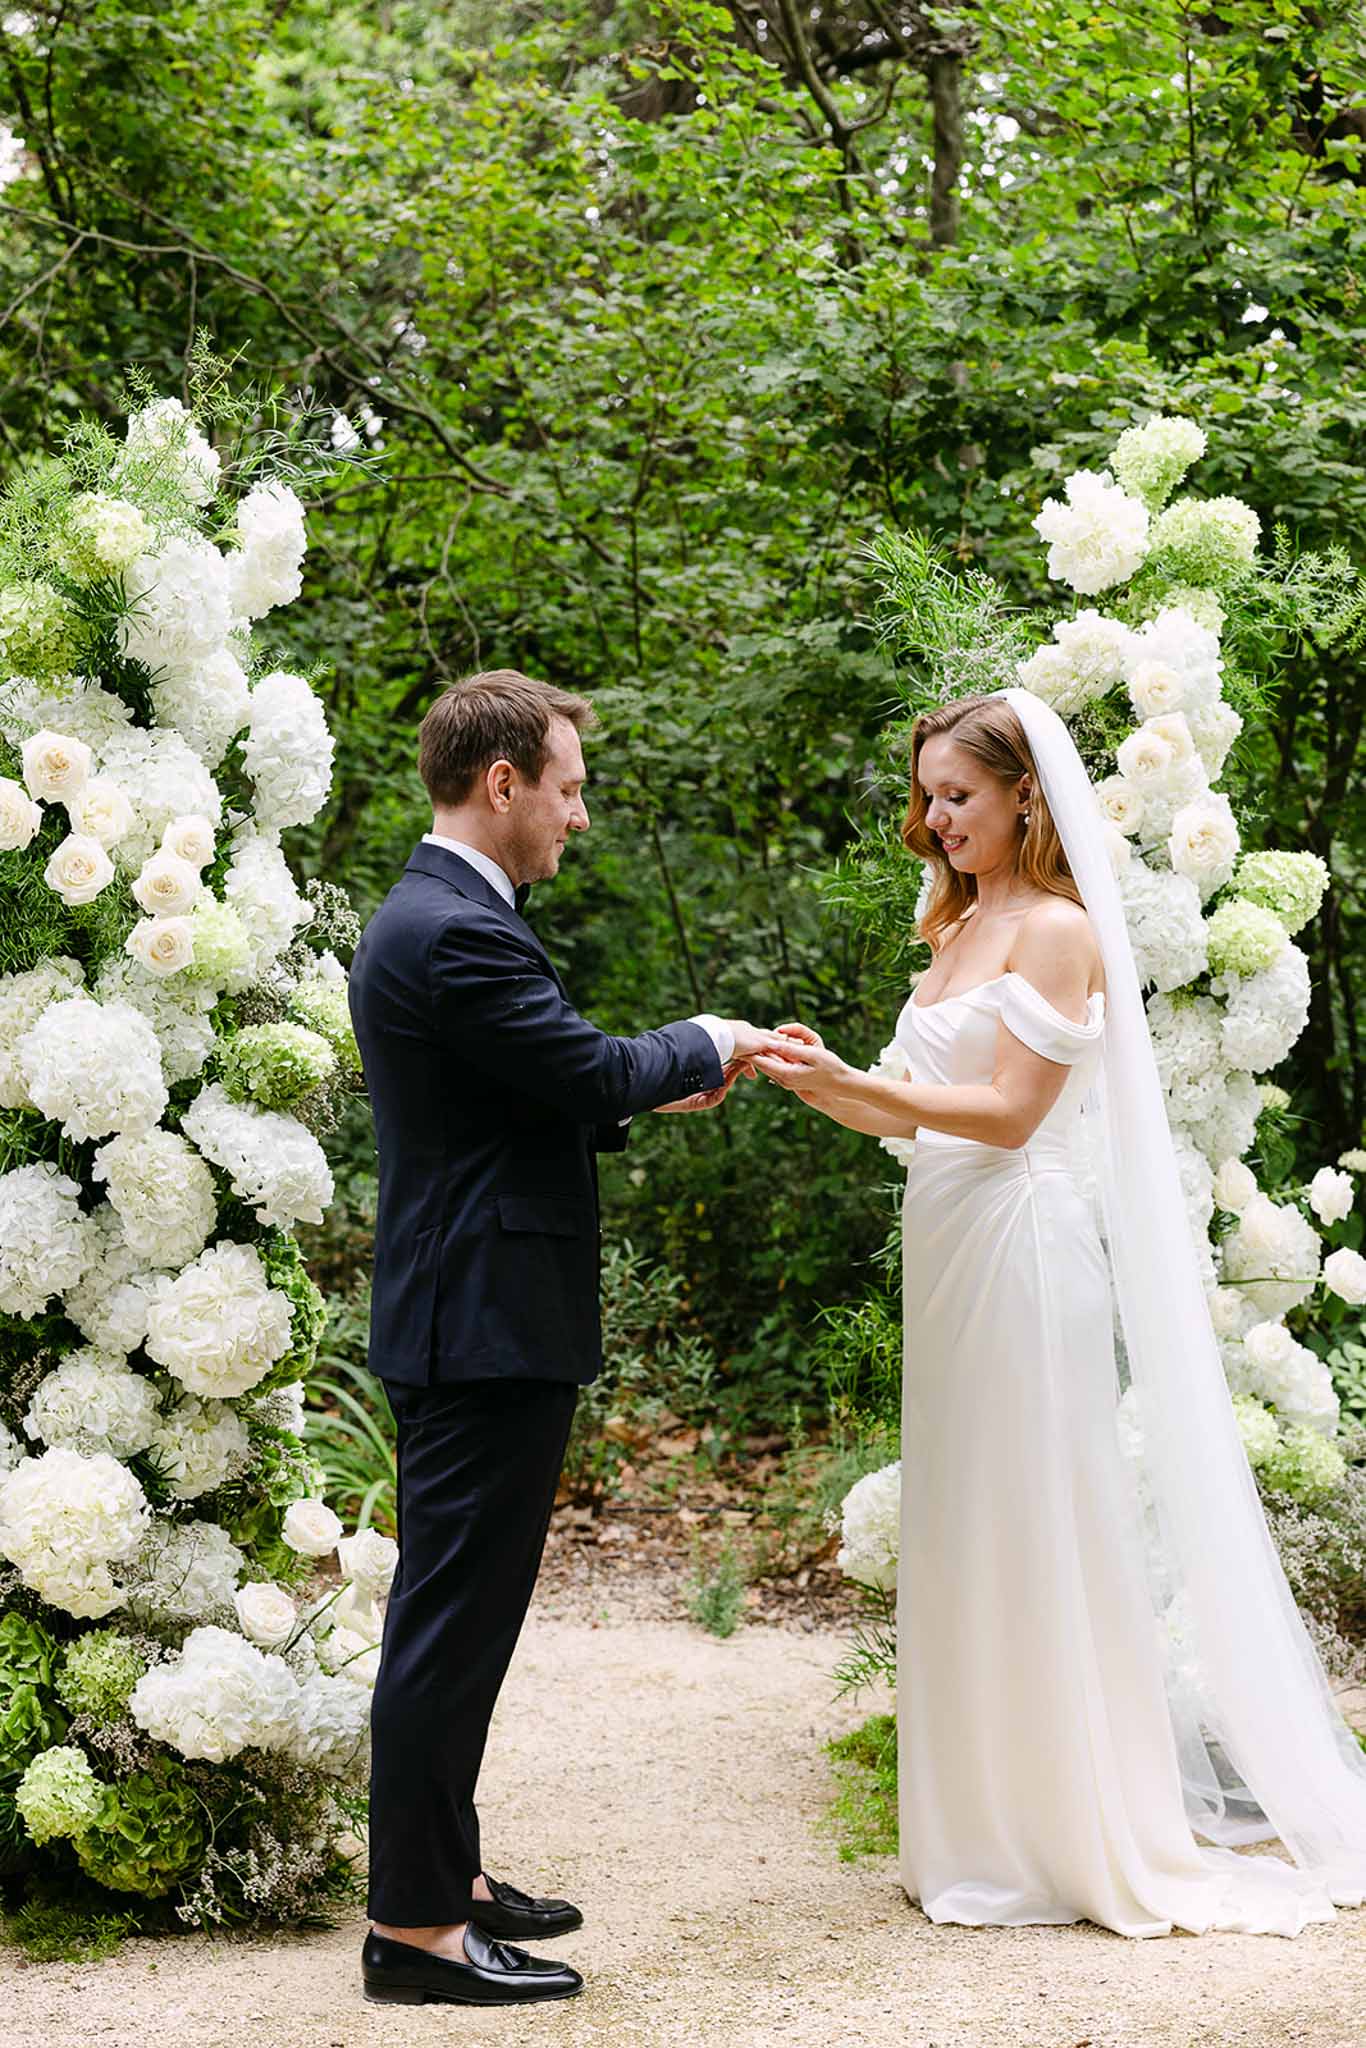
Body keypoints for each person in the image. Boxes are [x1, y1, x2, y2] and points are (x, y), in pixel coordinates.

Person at [752, 687, 1366, 1938]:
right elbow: (902, 1110)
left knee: (1036, 1510)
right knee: (967, 1515)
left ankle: (1069, 1830)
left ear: (1026, 791)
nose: (935, 820)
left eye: (958, 797)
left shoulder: (1059, 932)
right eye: (926, 798)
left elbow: (1012, 1112)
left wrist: (867, 1082)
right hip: (950, 1240)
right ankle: (978, 1827)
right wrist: (811, 1080)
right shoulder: (957, 927)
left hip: (1024, 1242)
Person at [346, 668, 785, 2007]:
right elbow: (586, 1067)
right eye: (569, 788)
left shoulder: (440, 920)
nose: (576, 818)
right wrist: (704, 1039)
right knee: (447, 1633)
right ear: (503, 783)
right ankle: (416, 1931)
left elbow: (518, 1094)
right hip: (480, 1327)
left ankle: (451, 1872)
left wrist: (647, 1094)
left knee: (460, 1626)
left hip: (469, 1313)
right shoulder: (456, 929)